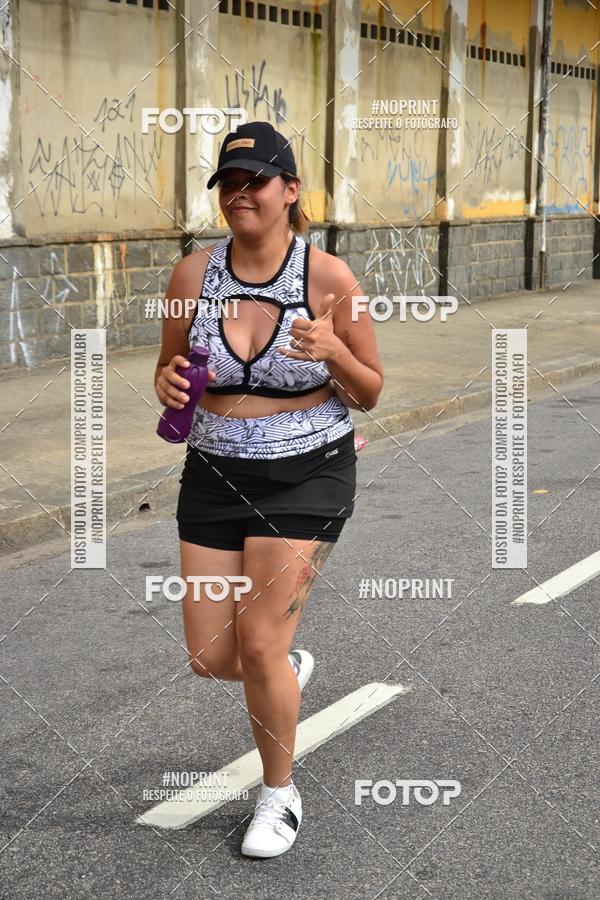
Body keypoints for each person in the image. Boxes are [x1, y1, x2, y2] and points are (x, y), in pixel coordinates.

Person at [154, 120, 383, 858]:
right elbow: (168, 374)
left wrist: (335, 349)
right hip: (214, 473)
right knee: (210, 657)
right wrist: (166, 384)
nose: (241, 194)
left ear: (291, 192)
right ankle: (280, 666)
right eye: (230, 182)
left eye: (257, 181)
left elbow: (371, 390)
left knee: (255, 644)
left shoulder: (328, 279)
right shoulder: (192, 275)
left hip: (307, 472)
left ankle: (278, 796)